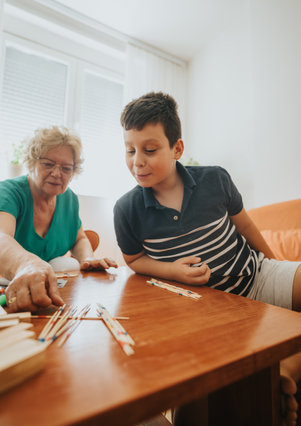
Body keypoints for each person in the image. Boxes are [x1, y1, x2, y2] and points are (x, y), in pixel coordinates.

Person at [113, 92, 301, 426]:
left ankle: (282, 372)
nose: (137, 161)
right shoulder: (126, 210)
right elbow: (135, 260)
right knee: (197, 403)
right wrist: (172, 270)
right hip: (205, 311)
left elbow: (245, 226)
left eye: (150, 150)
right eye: (130, 150)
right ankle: (277, 377)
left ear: (177, 149)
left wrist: (279, 270)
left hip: (257, 277)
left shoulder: (215, 179)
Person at [0, 126, 117, 313]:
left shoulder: (69, 199)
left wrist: (87, 258)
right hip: (7, 284)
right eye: (48, 164)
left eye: (66, 168)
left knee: (68, 265)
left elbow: (79, 238)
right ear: (31, 162)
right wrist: (28, 265)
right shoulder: (9, 192)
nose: (57, 173)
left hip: (43, 292)